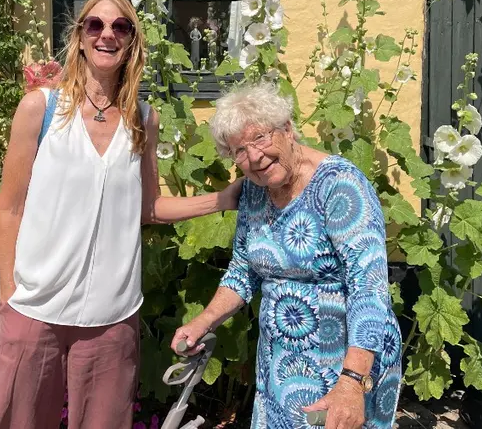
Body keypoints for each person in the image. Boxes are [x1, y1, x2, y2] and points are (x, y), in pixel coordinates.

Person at [0, 0, 242, 429]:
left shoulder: (143, 119)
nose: (107, 34)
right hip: (34, 308)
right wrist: (9, 293)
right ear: (80, 37)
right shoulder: (41, 109)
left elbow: (148, 207)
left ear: (131, 43)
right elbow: (9, 207)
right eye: (96, 24)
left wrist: (222, 200)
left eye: (120, 26)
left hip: (111, 316)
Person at [172, 83, 401, 429]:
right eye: (239, 150)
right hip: (281, 363)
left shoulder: (340, 185)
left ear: (288, 129)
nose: (254, 157)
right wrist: (202, 322)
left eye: (260, 138)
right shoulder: (255, 189)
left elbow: (369, 289)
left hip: (345, 363)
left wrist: (352, 382)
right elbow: (243, 271)